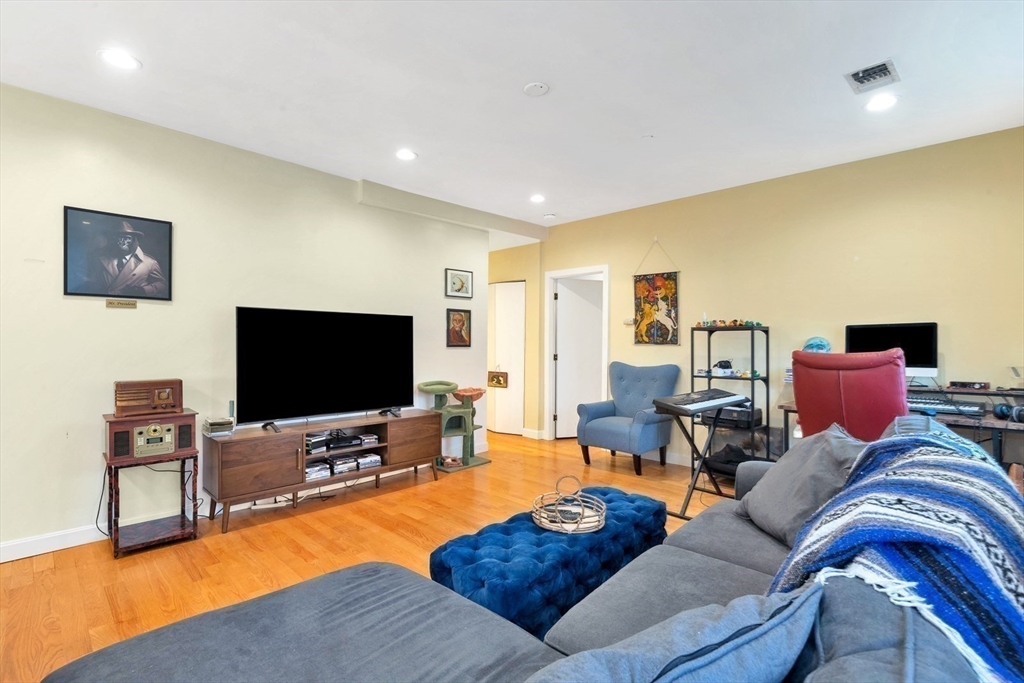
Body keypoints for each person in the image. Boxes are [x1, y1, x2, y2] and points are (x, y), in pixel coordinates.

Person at [88, 221, 168, 298]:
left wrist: (143, 291)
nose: (122, 242)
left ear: (134, 241)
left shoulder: (149, 263)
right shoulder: (100, 259)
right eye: (119, 238)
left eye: (127, 238)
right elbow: (92, 280)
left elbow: (162, 284)